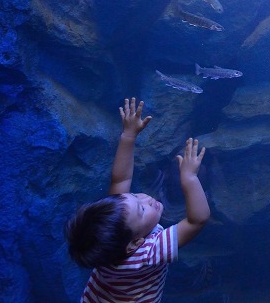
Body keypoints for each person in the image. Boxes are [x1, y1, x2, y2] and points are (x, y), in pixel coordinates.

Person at [64, 98, 209, 302]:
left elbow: (121, 178)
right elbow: (197, 220)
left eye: (134, 196)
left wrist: (128, 136)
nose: (145, 199)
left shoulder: (108, 248)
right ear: (135, 244)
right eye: (141, 210)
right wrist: (190, 179)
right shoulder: (148, 254)